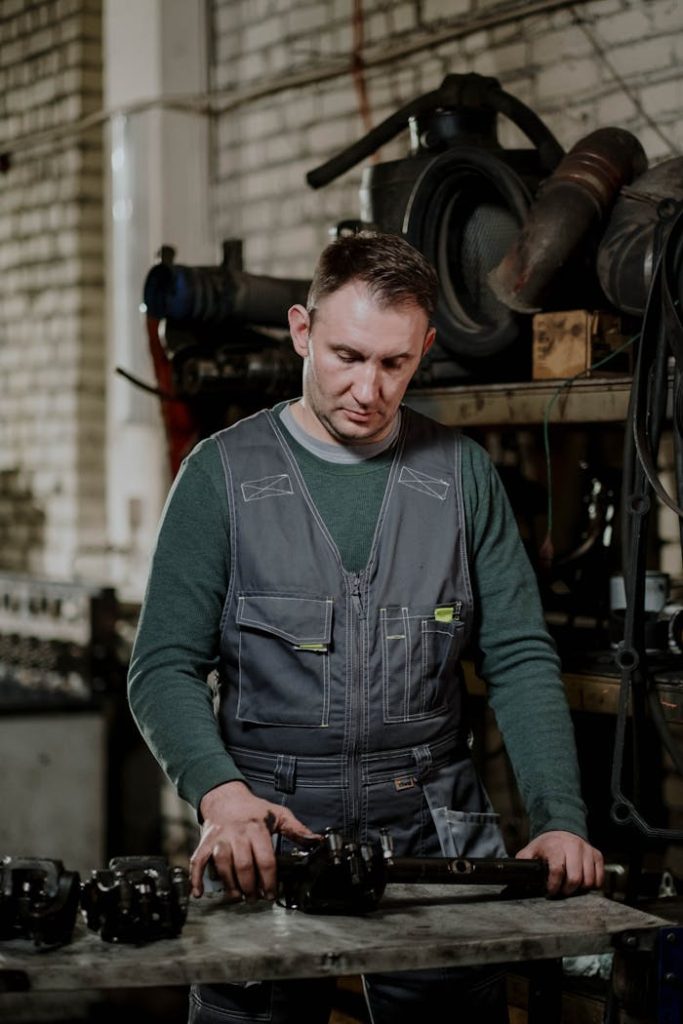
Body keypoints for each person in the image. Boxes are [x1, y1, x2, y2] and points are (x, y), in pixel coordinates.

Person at [128, 231, 604, 1024]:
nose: (369, 390)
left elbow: (519, 657)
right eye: (347, 356)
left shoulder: (461, 478)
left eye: (394, 363)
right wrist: (222, 797)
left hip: (432, 828)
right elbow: (162, 667)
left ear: (425, 348)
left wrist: (559, 823)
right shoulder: (220, 476)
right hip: (268, 832)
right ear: (301, 331)